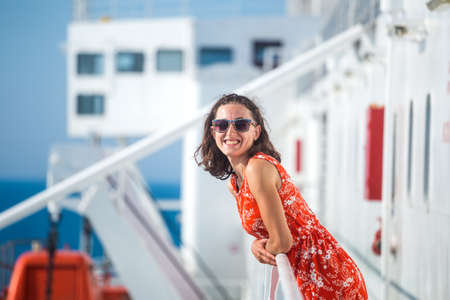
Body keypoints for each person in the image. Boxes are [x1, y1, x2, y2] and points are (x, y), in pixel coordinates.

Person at [195, 94, 368, 299]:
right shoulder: (235, 184)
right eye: (222, 124)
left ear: (256, 131)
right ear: (213, 132)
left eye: (241, 124)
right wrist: (258, 243)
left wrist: (257, 248)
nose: (230, 131)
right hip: (304, 273)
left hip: (323, 272)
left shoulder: (257, 168)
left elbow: (282, 241)